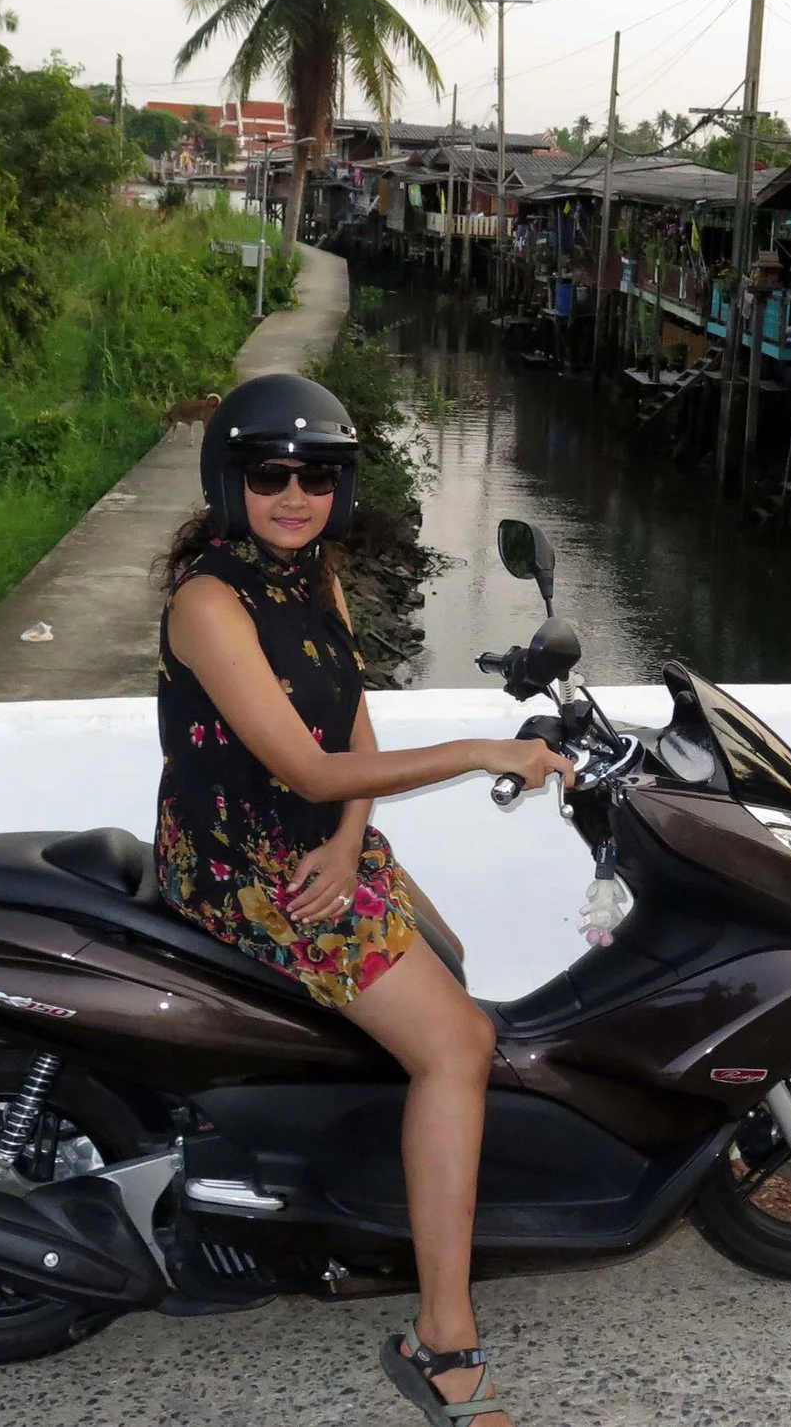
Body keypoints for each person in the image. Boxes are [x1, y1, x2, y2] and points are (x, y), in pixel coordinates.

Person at [154, 373, 569, 1425]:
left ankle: (373, 1183)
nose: (295, 495)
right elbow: (305, 764)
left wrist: (350, 844)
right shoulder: (209, 603)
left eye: (318, 476)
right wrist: (483, 750)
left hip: (318, 841)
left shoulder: (315, 578)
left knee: (452, 962)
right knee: (457, 1047)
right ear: (229, 479)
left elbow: (349, 731)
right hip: (248, 870)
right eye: (270, 474)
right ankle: (441, 1335)